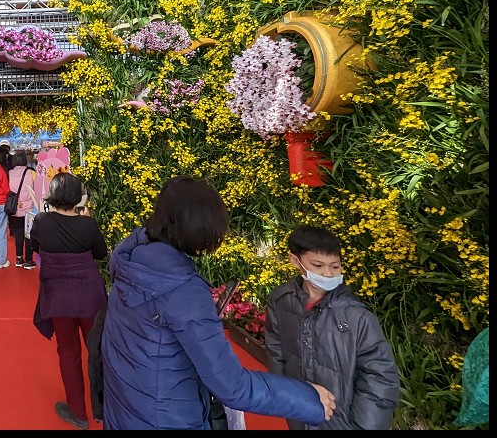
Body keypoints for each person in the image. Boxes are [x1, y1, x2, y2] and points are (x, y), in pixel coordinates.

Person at [101, 176, 336, 430]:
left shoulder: (132, 262)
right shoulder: (183, 291)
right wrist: (308, 399)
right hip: (168, 417)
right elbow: (232, 386)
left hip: (127, 408)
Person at [265, 225, 400, 430]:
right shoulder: (280, 302)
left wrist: (363, 426)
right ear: (296, 261)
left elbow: (380, 376)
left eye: (335, 266)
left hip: (343, 422)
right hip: (299, 413)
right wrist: (286, 397)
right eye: (318, 265)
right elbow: (277, 354)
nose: (328, 274)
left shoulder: (357, 316)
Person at [28, 171, 108, 429]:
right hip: (90, 297)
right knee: (99, 351)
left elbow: (36, 247)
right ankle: (109, 408)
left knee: (68, 351)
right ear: (78, 197)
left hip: (58, 297)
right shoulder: (89, 225)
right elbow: (101, 253)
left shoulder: (41, 221)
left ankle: (78, 413)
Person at [7, 150, 38, 269]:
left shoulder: (9, 173)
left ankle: (19, 258)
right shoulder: (31, 173)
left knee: (18, 234)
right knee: (29, 234)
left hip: (14, 208)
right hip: (29, 209)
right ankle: (29, 260)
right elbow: (36, 189)